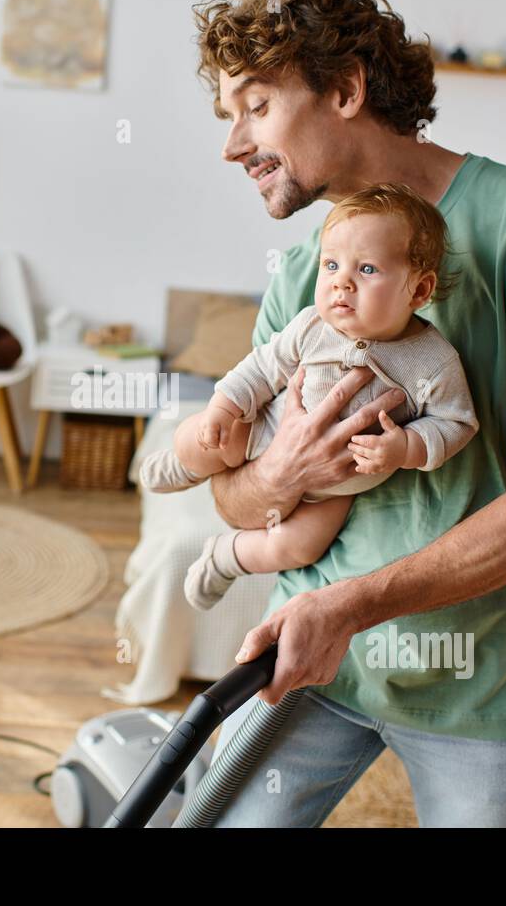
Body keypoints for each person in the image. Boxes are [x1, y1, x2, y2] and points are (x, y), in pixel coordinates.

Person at [190, 0, 506, 826]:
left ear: (347, 89)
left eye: (254, 105)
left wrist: (349, 607)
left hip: (484, 685)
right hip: (307, 660)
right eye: (225, 116)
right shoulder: (304, 272)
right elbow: (232, 495)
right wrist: (275, 476)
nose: (231, 145)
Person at [138, 184, 478, 612]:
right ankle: (185, 464)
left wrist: (406, 447)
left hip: (338, 486)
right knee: (207, 434)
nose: (342, 283)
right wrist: (225, 407)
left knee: (300, 547)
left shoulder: (433, 361)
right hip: (266, 427)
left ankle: (225, 557)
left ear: (419, 291)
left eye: (367, 270)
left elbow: (456, 422)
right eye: (331, 265)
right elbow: (261, 368)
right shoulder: (311, 325)